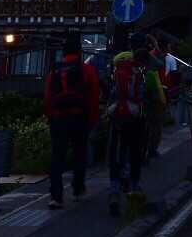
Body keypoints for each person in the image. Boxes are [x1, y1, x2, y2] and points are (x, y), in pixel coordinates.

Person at [106, 32, 166, 215]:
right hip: (136, 116)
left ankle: (114, 191)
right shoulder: (145, 66)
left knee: (117, 152)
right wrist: (154, 46)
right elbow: (160, 66)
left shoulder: (119, 62)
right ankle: (133, 187)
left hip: (117, 113)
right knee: (135, 153)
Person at [43, 35, 100, 210]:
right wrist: (92, 119)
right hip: (79, 117)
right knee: (79, 153)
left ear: (63, 52)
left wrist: (50, 116)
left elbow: (47, 97)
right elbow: (94, 97)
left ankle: (56, 196)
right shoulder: (87, 70)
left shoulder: (54, 71)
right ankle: (77, 189)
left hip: (58, 118)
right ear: (80, 52)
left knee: (57, 156)